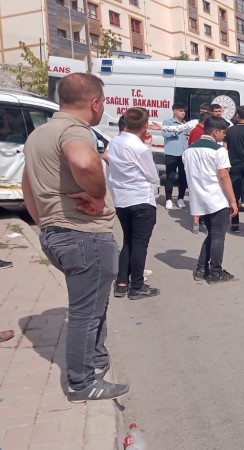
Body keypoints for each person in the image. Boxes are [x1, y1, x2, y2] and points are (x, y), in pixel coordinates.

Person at [21, 72, 129, 402]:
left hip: (57, 233)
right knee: (86, 313)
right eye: (103, 103)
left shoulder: (38, 135)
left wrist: (45, 222)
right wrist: (96, 194)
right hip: (85, 236)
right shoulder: (74, 130)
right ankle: (81, 383)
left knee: (93, 306)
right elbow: (82, 161)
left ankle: (96, 361)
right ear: (95, 103)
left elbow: (28, 187)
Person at [106, 108, 161, 300]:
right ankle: (137, 285)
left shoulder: (115, 141)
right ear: (145, 125)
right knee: (139, 244)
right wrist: (148, 147)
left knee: (128, 240)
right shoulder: (140, 148)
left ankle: (122, 283)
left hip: (122, 199)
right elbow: (153, 177)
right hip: (140, 199)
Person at [183, 116, 238, 283]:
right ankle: (215, 272)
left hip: (199, 198)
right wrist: (232, 200)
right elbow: (223, 176)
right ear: (215, 132)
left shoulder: (188, 150)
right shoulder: (219, 151)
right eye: (223, 132)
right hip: (216, 198)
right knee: (218, 236)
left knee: (212, 234)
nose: (224, 136)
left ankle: (201, 269)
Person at [187, 112, 211, 233]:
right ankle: (198, 222)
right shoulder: (199, 132)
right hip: (199, 169)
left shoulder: (196, 131)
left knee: (197, 196)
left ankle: (198, 222)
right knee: (200, 196)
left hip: (196, 169)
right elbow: (196, 150)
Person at [162, 103, 189, 210]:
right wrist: (178, 130)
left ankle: (180, 198)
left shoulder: (186, 124)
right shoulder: (167, 122)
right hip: (171, 153)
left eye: (184, 111)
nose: (183, 113)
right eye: (181, 110)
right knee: (170, 176)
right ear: (174, 111)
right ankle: (168, 199)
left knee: (183, 177)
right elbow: (165, 134)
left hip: (184, 154)